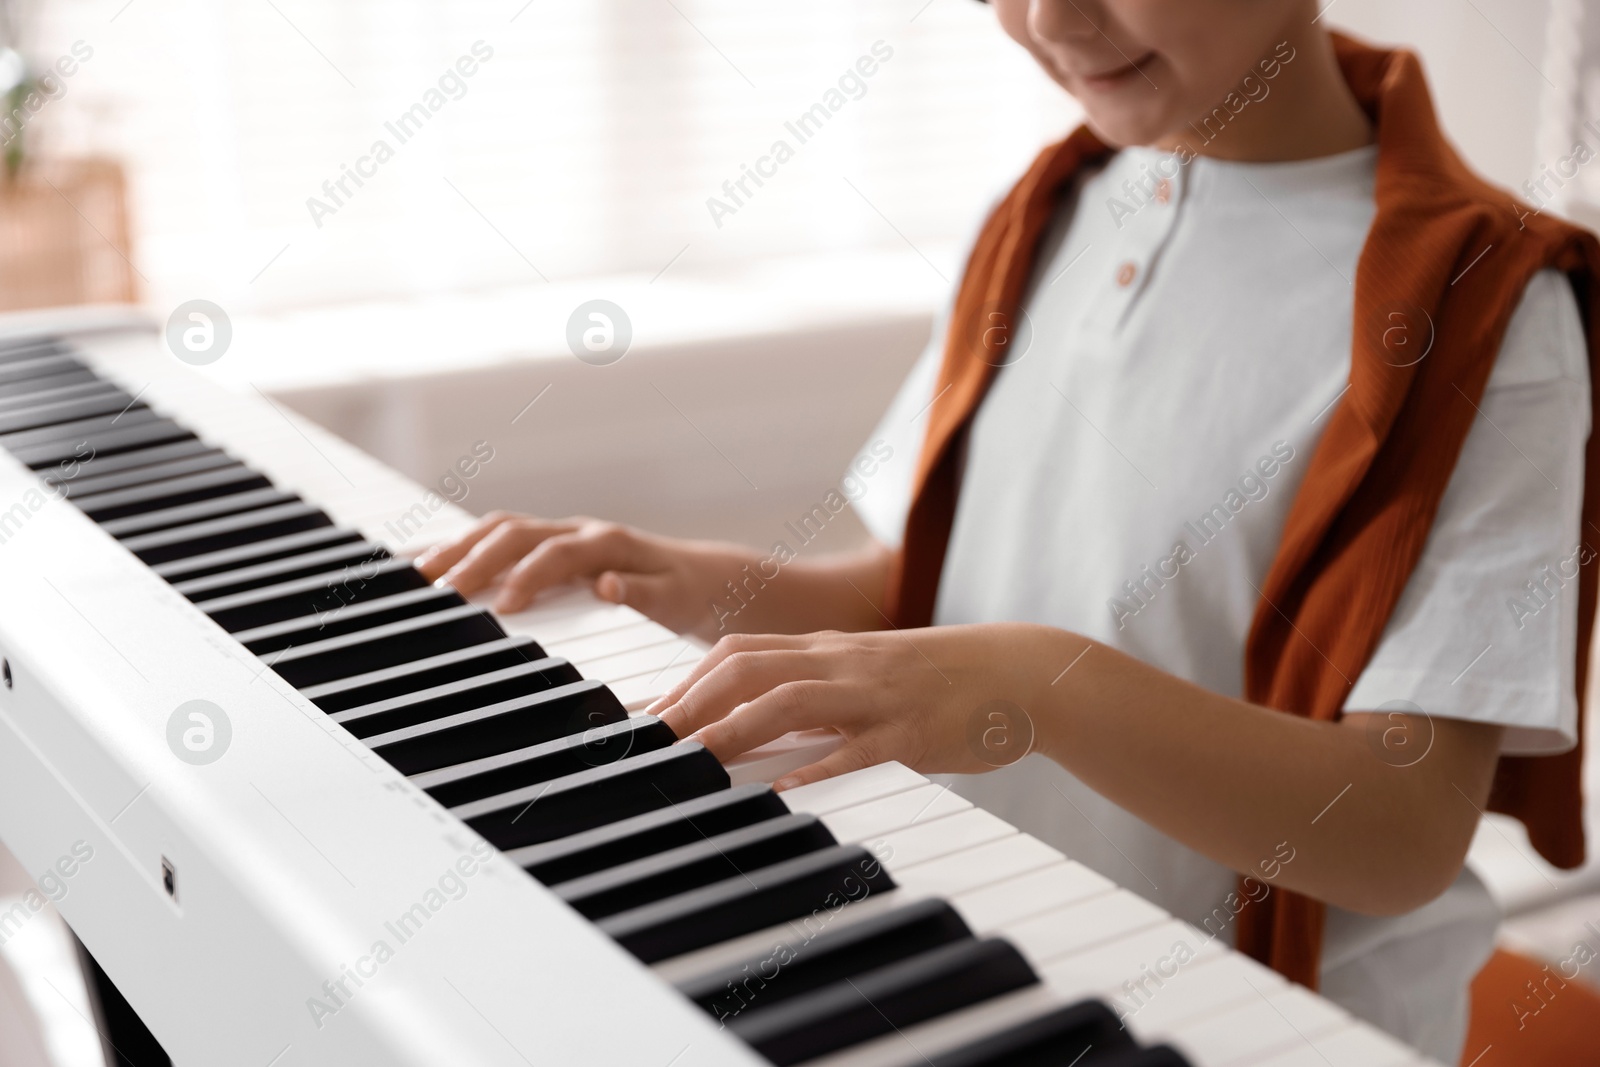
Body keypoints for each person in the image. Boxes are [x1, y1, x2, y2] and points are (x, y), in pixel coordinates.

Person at [419, 2, 1600, 1060]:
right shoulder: (1046, 206)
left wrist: (1047, 682)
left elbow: (1400, 830)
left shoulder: (1491, 306)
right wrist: (690, 578)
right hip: (991, 953)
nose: (1049, 20)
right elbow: (932, 599)